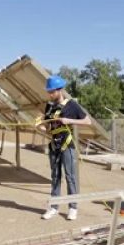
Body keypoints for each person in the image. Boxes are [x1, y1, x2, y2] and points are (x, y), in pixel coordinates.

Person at [39, 75, 91, 221]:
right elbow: (48, 126)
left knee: (70, 177)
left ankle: (73, 208)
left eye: (52, 92)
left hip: (67, 146)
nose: (50, 94)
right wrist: (42, 127)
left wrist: (69, 120)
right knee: (55, 177)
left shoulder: (72, 105)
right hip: (54, 145)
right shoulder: (49, 106)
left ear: (60, 90)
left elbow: (87, 121)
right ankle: (54, 207)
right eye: (49, 92)